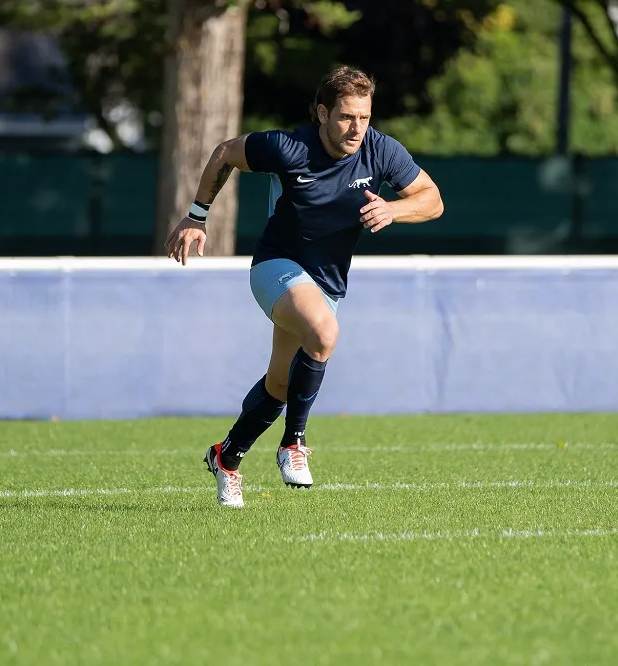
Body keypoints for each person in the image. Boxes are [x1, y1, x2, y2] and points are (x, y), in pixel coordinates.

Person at [164, 65, 444, 508]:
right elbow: (224, 152)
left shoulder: (381, 150)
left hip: (326, 281)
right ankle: (293, 442)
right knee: (324, 333)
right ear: (322, 113)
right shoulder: (287, 146)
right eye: (347, 117)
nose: (356, 128)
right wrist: (197, 215)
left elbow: (432, 199)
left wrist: (394, 210)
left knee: (280, 384)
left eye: (365, 117)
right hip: (276, 266)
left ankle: (227, 456)